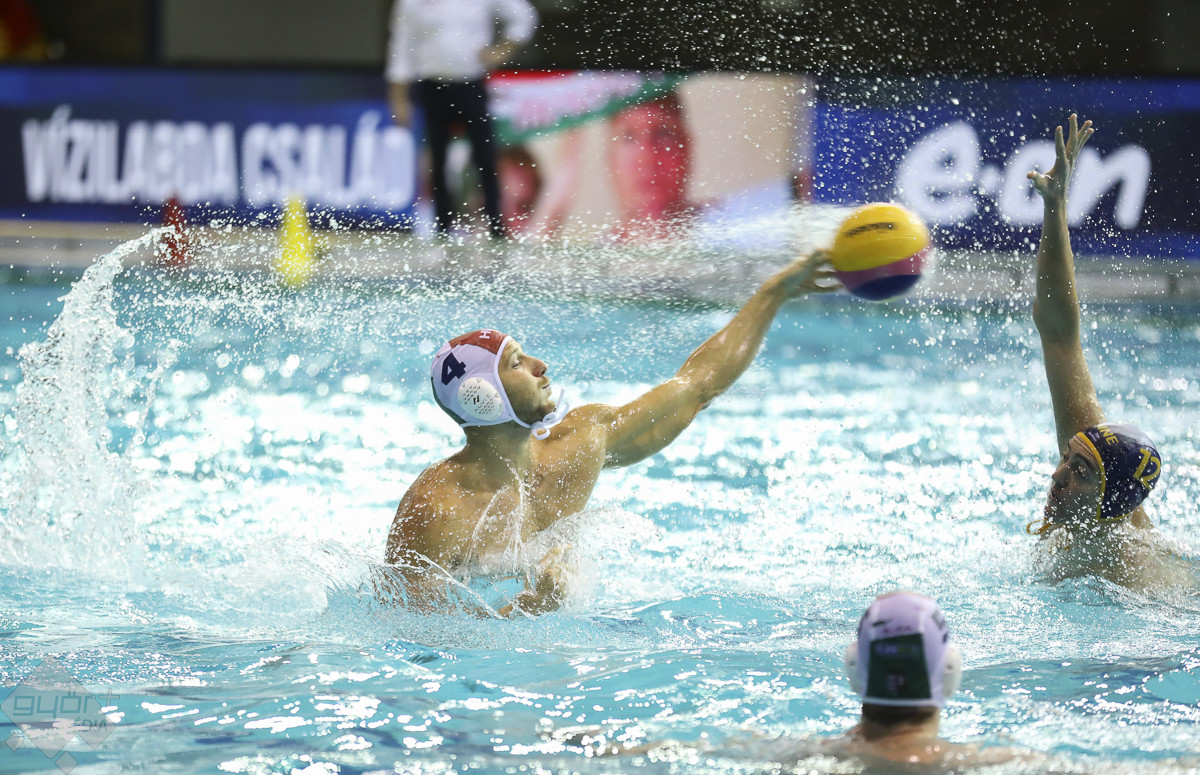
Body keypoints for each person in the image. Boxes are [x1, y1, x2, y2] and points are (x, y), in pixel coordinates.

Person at [385, 251, 838, 615]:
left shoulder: (579, 443)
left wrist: (774, 293)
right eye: (517, 362)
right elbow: (415, 631)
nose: (541, 366)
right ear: (481, 397)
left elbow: (697, 386)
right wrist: (528, 609)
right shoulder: (436, 509)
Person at [1023, 115, 1186, 592]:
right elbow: (1059, 332)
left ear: (1110, 503)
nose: (1058, 477)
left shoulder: (1136, 581)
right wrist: (1055, 207)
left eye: (1078, 472)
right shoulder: (1095, 454)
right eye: (1067, 459)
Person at [385, 0, 537, 238]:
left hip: (471, 84)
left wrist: (503, 49)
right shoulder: (411, 3)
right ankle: (442, 227)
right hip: (432, 86)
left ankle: (496, 227)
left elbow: (524, 15)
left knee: (485, 157)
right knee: (438, 159)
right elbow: (401, 46)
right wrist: (399, 98)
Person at [607, 93, 696, 242]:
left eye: (663, 133)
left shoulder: (733, 231)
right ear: (610, 158)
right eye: (629, 137)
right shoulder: (589, 255)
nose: (647, 156)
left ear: (687, 147)